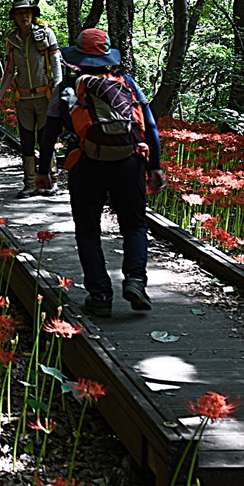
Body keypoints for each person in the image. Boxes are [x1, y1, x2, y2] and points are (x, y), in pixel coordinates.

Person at [34, 28, 165, 318]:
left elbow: (50, 132)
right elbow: (151, 128)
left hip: (86, 162)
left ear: (78, 58)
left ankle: (100, 294)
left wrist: (44, 170)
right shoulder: (127, 83)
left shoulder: (67, 89)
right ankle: (135, 280)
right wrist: (154, 166)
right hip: (129, 162)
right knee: (134, 225)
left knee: (88, 229)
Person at [0, 0, 62, 197]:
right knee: (27, 141)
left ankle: (50, 180)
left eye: (27, 12)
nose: (24, 16)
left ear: (33, 14)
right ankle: (30, 184)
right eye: (19, 13)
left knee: (46, 139)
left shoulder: (46, 34)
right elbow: (9, 70)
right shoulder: (12, 40)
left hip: (44, 96)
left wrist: (57, 92)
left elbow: (56, 64)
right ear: (14, 17)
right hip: (24, 99)